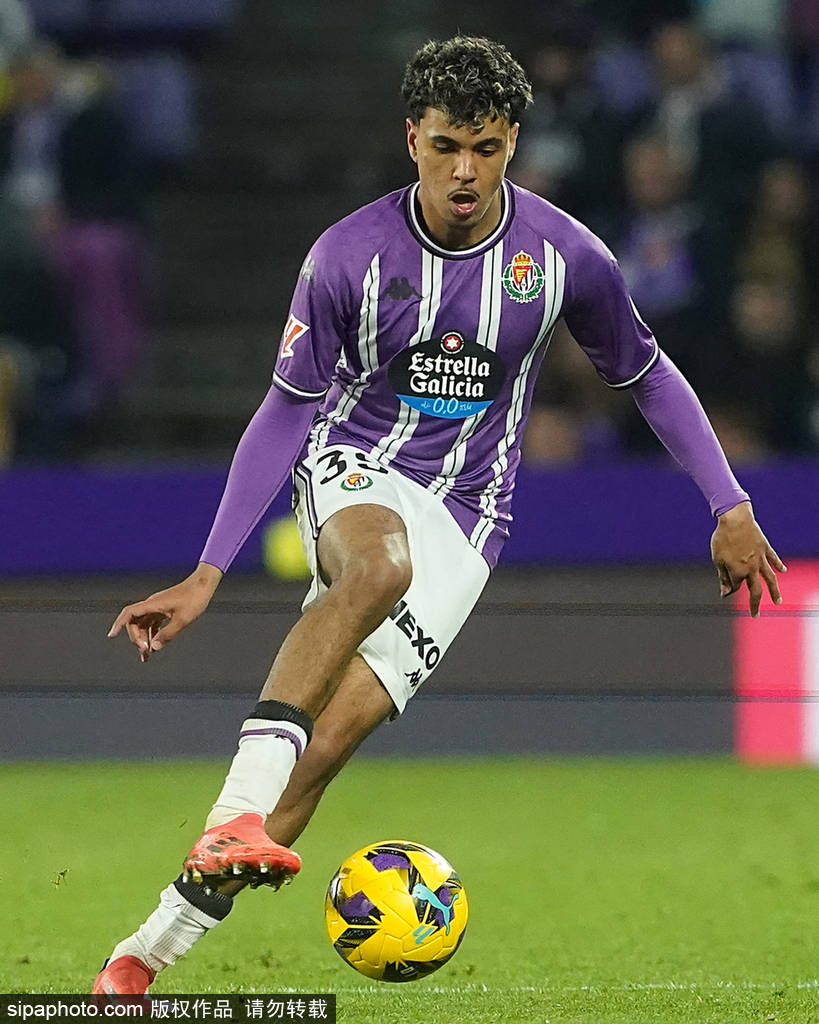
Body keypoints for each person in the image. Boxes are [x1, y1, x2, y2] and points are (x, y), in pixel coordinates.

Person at [94, 35, 785, 995]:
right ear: (412, 138)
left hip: (470, 519)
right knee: (380, 567)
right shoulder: (345, 257)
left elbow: (647, 374)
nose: (465, 171)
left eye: (487, 149)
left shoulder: (563, 256)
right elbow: (286, 408)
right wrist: (208, 571)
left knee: (324, 749)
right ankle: (231, 817)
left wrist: (729, 503)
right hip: (356, 463)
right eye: (447, 146)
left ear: (512, 145)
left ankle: (139, 959)